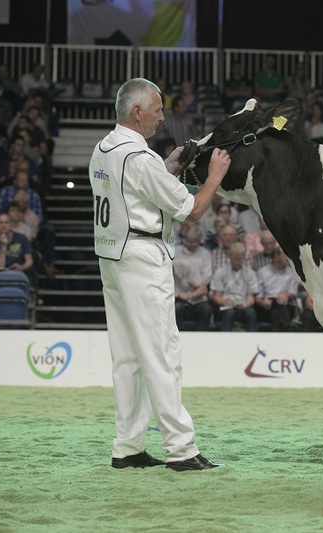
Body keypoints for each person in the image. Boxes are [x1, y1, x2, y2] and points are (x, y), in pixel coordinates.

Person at [90, 77, 230, 471]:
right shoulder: (141, 158)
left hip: (112, 255)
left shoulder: (103, 148)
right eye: (157, 110)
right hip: (143, 255)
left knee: (128, 357)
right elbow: (193, 210)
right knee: (161, 353)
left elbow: (134, 187)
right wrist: (215, 175)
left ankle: (127, 447)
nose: (162, 117)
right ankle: (181, 449)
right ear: (137, 112)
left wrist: (167, 166)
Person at [210, 241, 259, 331]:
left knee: (251, 313)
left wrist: (246, 304)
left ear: (243, 258)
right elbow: (216, 297)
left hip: (243, 305)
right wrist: (223, 301)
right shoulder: (220, 272)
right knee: (229, 313)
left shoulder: (250, 273)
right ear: (229, 257)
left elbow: (251, 296)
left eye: (239, 259)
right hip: (226, 306)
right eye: (234, 259)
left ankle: (253, 338)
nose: (237, 262)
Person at [255, 248, 299, 331]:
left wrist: (286, 295)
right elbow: (258, 295)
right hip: (267, 305)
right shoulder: (262, 272)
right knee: (277, 310)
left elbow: (293, 292)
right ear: (276, 257)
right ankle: (288, 331)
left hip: (286, 304)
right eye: (285, 256)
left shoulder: (291, 272)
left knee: (277, 311)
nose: (288, 258)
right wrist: (262, 302)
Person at [0, 210, 36, 287]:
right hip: (1, 274)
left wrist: (21, 267)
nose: (3, 225)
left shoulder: (22, 238)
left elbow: (29, 260)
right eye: (1, 223)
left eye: (6, 222)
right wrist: (3, 246)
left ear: (10, 224)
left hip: (21, 272)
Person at [173, 257, 212, 331]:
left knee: (207, 309)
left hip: (196, 300)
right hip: (177, 302)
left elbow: (203, 289)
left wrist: (189, 295)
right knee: (176, 308)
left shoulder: (185, 265)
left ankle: (201, 336)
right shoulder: (159, 273)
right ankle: (178, 335)